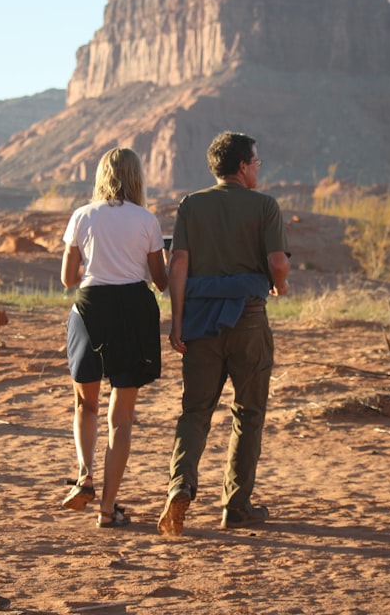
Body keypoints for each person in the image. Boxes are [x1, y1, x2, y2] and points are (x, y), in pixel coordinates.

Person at [157, 131, 290, 536]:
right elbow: (278, 262)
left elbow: (178, 262)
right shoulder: (265, 205)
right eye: (256, 162)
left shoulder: (192, 205)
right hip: (248, 319)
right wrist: (279, 286)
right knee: (248, 413)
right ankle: (236, 505)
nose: (258, 168)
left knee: (195, 411)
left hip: (199, 322)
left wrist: (177, 322)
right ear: (243, 166)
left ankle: (181, 483)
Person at [60, 147, 169, 528]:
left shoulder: (82, 216)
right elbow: (159, 280)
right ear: (137, 177)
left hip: (90, 309)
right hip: (134, 311)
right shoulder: (147, 220)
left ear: (101, 175)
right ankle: (108, 510)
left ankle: (84, 474)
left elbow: (68, 278)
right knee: (121, 417)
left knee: (84, 405)